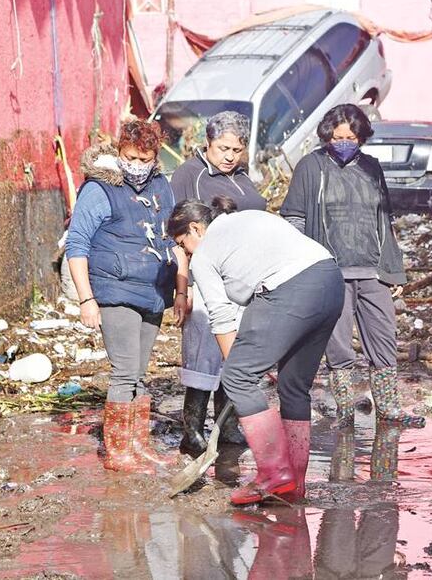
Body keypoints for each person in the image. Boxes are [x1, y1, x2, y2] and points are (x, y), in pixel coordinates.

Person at [168, 198, 343, 505]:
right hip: (330, 280)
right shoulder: (249, 217)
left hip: (291, 289)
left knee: (237, 377)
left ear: (196, 228)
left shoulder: (204, 255)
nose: (186, 253)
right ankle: (294, 484)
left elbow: (221, 317)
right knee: (293, 386)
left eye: (183, 244)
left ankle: (274, 472)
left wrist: (237, 371)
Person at [280, 104, 425, 429]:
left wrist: (393, 268)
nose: (344, 143)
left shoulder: (372, 167)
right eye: (338, 137)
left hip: (373, 272)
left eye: (351, 138)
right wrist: (302, 269)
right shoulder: (311, 166)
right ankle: (345, 412)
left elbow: (384, 220)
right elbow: (294, 219)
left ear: (361, 137)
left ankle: (389, 409)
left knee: (384, 339)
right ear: (327, 136)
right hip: (330, 274)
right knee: (338, 346)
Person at [65, 119, 184, 474]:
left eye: (144, 159)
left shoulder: (161, 186)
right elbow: (77, 244)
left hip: (154, 291)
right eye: (130, 157)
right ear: (119, 151)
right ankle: (118, 454)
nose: (136, 166)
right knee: (124, 373)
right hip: (115, 290)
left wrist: (181, 289)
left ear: (155, 157)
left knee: (140, 375)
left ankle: (139, 446)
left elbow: (173, 240)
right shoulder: (99, 188)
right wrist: (86, 299)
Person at [169, 111, 265, 457]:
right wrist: (183, 288)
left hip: (242, 278)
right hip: (205, 279)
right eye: (223, 148)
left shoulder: (242, 176)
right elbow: (176, 235)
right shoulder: (189, 175)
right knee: (203, 355)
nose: (229, 156)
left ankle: (228, 426)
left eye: (236, 150)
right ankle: (192, 430)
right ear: (207, 142)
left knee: (232, 352)